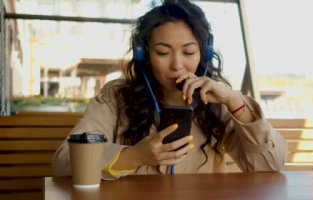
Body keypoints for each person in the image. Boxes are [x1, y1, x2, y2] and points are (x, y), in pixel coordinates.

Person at [52, 0, 287, 179]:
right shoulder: (115, 96)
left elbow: (270, 166)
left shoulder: (219, 101)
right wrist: (135, 156)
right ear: (144, 55)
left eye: (188, 52)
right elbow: (64, 162)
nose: (177, 64)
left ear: (204, 54)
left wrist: (236, 102)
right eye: (163, 52)